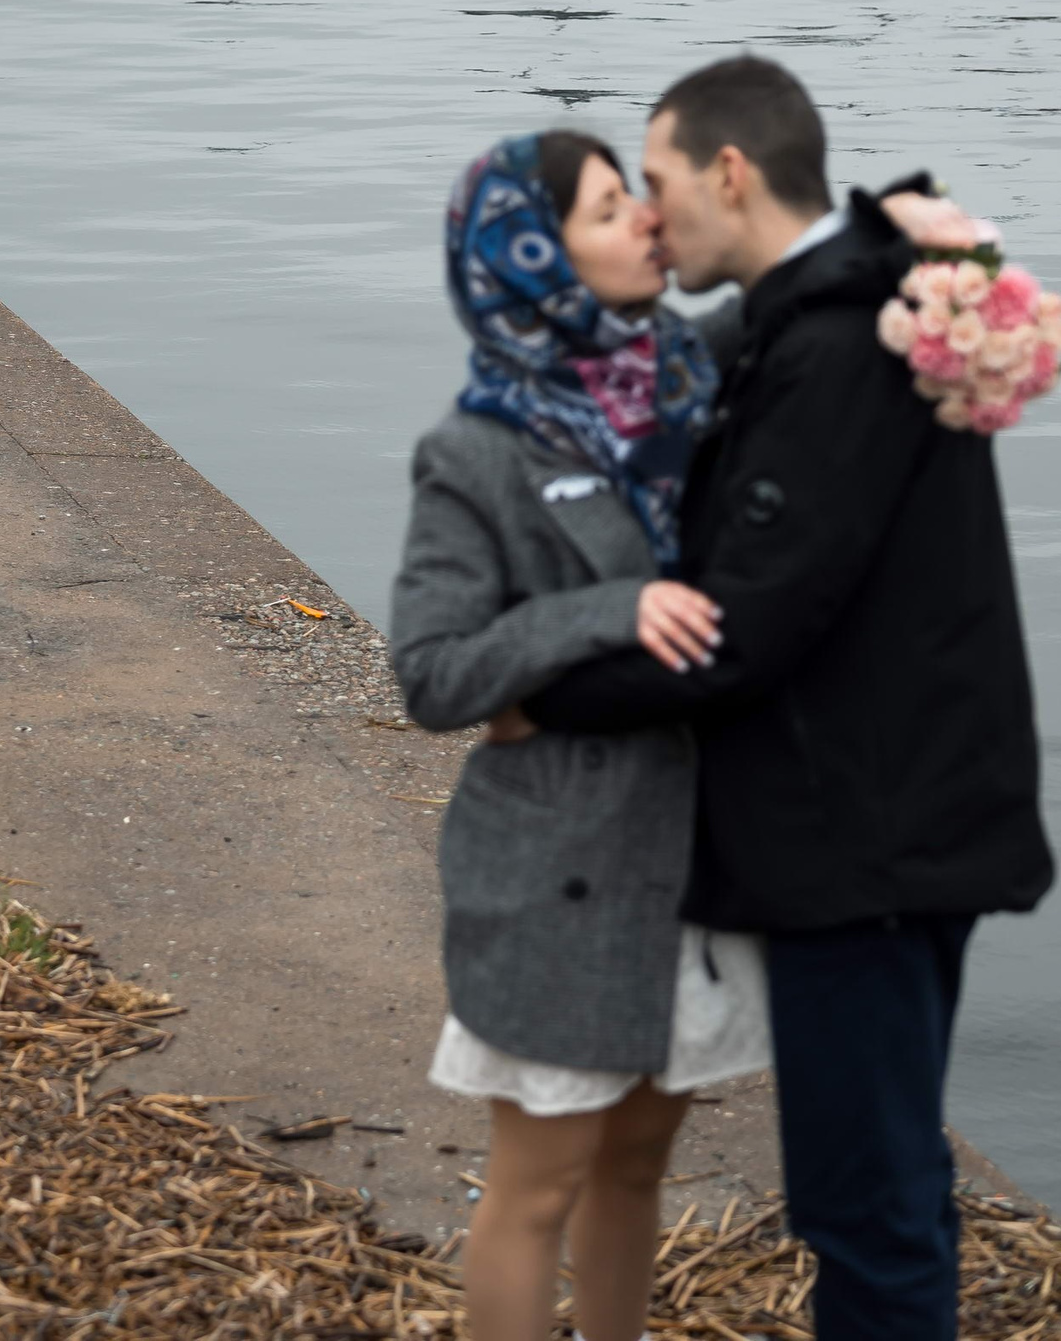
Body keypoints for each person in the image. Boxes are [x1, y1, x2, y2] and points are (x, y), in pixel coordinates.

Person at [519, 56, 1057, 1341]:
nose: (649, 219)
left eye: (656, 186)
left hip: (865, 842)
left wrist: (542, 687)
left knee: (863, 1201)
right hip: (896, 814)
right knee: (884, 1184)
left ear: (730, 172)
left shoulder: (835, 353)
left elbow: (744, 629)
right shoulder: (833, 308)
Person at [390, 129, 765, 1341]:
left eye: (638, 199)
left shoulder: (683, 379)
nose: (648, 223)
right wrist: (611, 609)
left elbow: (791, 289)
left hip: (689, 855)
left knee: (640, 1168)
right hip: (556, 872)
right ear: (533, 258)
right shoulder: (475, 449)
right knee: (538, 1180)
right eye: (611, 210)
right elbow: (434, 671)